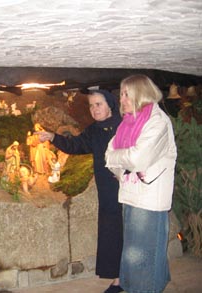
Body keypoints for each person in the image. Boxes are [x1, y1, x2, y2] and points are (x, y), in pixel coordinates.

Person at [36, 90, 123, 293]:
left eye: (98, 104)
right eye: (91, 105)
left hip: (129, 187)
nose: (94, 109)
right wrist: (53, 137)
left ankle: (131, 276)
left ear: (110, 104)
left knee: (129, 233)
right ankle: (119, 279)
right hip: (108, 191)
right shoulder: (94, 130)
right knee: (113, 233)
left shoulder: (124, 126)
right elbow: (76, 145)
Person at [105, 74, 177, 293]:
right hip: (130, 194)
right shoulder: (127, 123)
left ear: (140, 93)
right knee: (134, 253)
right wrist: (123, 160)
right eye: (122, 94)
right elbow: (108, 156)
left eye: (126, 94)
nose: (121, 99)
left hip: (149, 198)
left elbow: (138, 159)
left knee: (145, 255)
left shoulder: (157, 122)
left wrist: (122, 159)